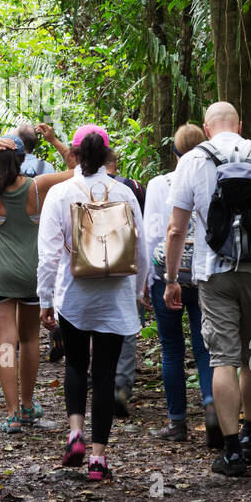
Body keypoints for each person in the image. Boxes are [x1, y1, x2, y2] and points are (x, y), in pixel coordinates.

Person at [162, 102, 251, 476]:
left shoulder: (193, 160)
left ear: (207, 129)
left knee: (222, 358)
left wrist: (172, 279)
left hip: (215, 273)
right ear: (240, 125)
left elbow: (176, 229)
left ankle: (231, 451)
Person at [37, 125, 150, 481]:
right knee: (104, 374)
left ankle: (74, 434)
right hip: (115, 297)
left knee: (75, 364)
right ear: (106, 156)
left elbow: (48, 255)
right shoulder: (126, 192)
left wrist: (45, 299)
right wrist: (138, 292)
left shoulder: (60, 193)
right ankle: (98, 459)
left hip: (74, 296)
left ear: (74, 154)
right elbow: (142, 248)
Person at [0, 129, 73, 432]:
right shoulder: (37, 187)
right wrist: (56, 142)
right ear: (23, 159)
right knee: (30, 339)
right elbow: (76, 169)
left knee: (5, 341)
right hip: (31, 275)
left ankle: (12, 413)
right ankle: (29, 404)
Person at [142, 123, 217, 444]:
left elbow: (152, 234)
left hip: (167, 275)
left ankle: (177, 423)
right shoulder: (212, 176)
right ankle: (213, 408)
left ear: (174, 153)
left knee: (171, 348)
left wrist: (145, 281)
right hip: (203, 272)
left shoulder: (159, 184)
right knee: (205, 348)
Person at [106, 150, 146, 418]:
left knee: (100, 326)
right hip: (126, 265)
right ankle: (121, 385)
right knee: (128, 326)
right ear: (116, 163)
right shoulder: (132, 187)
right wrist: (142, 284)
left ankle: (102, 381)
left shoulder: (77, 188)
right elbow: (142, 234)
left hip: (90, 268)